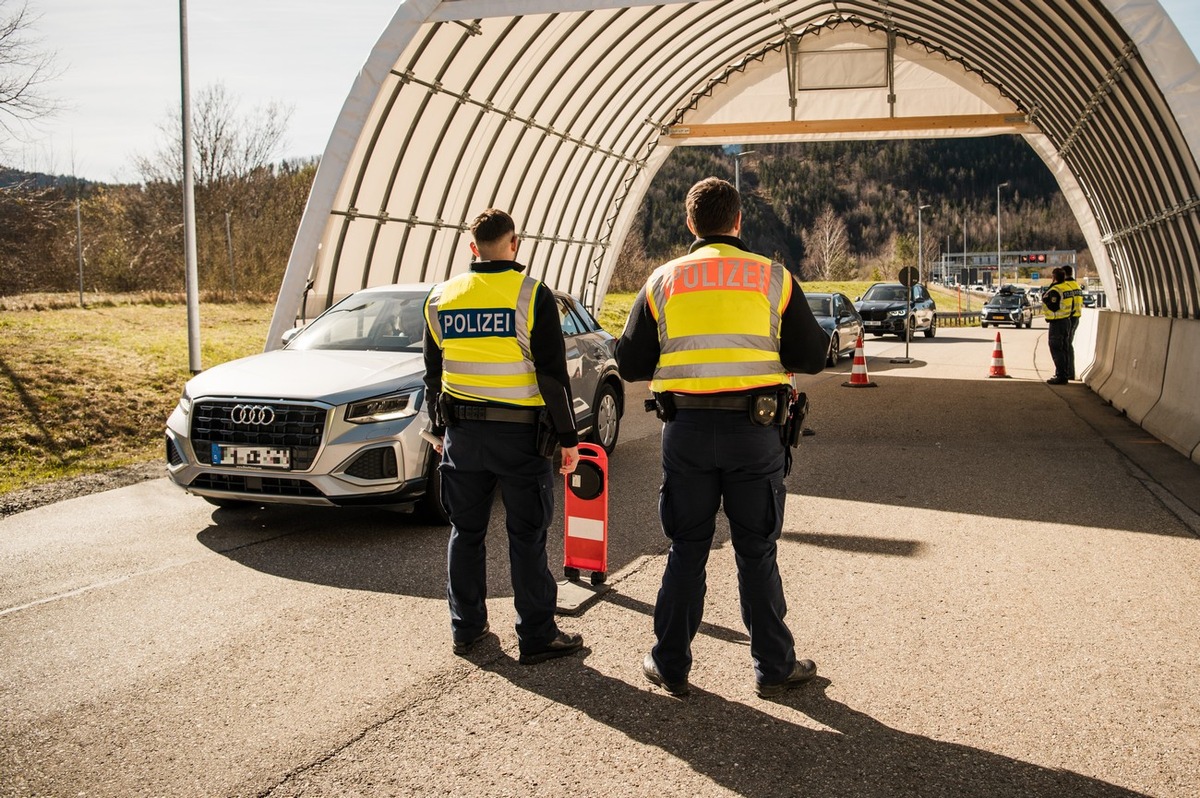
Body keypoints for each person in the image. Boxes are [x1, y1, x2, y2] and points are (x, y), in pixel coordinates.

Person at [614, 177, 829, 698]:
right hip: (755, 435)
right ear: (738, 222)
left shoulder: (661, 280)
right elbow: (814, 356)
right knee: (756, 551)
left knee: (686, 548)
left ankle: (669, 664)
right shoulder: (772, 278)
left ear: (691, 224)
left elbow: (628, 362)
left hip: (685, 432)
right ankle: (774, 668)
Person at [423, 208, 584, 665]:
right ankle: (536, 634)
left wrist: (438, 430)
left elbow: (433, 377)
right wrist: (569, 440)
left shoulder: (440, 297)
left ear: (472, 248)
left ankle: (466, 630)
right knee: (527, 535)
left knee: (465, 533)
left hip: (462, 436)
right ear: (515, 244)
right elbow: (553, 377)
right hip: (520, 438)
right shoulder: (532, 296)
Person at [1042, 267, 1074, 385]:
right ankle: (1064, 373)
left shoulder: (1055, 290)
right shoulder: (1067, 288)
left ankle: (1061, 376)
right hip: (1066, 321)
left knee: (1056, 348)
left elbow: (1054, 306)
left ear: (1054, 277)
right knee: (1064, 349)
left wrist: (1046, 300)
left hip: (1057, 322)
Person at [1060, 264, 1084, 379]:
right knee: (1068, 344)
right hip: (1076, 317)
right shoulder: (1077, 286)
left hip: (1067, 318)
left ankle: (1067, 372)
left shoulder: (1066, 286)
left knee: (1065, 345)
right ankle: (1069, 372)